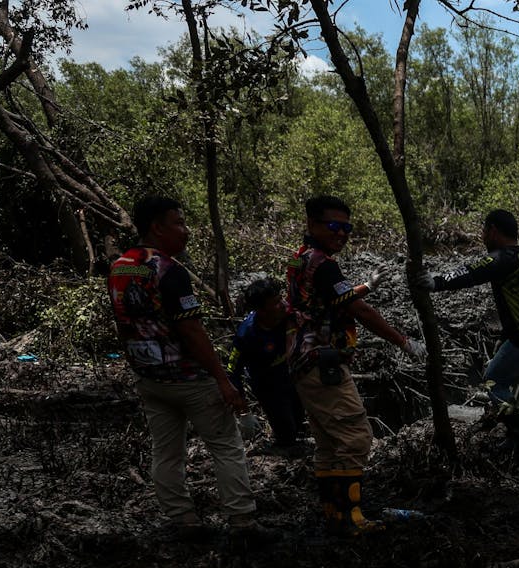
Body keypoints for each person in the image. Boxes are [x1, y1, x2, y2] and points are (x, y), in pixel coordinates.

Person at [107, 196, 262, 538]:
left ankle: (181, 519)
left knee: (166, 451)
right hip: (188, 377)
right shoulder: (169, 270)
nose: (185, 231)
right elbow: (191, 330)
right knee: (226, 446)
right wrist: (223, 379)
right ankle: (242, 521)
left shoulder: (120, 266)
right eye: (178, 223)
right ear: (156, 227)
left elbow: (123, 324)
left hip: (149, 378)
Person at [286, 195, 427, 535]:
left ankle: (334, 515)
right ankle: (353, 520)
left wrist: (367, 285)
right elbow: (358, 310)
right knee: (356, 437)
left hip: (304, 360)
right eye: (334, 226)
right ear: (312, 224)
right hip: (323, 362)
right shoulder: (324, 264)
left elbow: (335, 296)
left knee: (328, 442)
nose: (342, 234)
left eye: (347, 228)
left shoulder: (301, 258)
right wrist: (404, 342)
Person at [414, 209, 519, 458]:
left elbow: (471, 272)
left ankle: (518, 441)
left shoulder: (502, 258)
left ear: (493, 231)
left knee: (494, 380)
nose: (483, 236)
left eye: (484, 231)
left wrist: (436, 282)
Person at [228, 277, 306, 457]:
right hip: (266, 383)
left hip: (290, 374)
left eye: (281, 298)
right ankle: (283, 447)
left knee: (298, 416)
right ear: (261, 310)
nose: (283, 304)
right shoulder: (247, 333)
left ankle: (295, 440)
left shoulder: (289, 313)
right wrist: (244, 412)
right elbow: (233, 371)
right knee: (285, 425)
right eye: (276, 302)